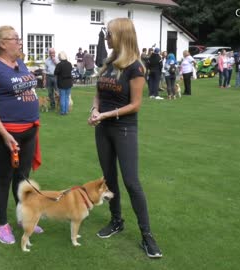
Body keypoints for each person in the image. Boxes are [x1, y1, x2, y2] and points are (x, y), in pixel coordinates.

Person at [87, 18, 162, 259]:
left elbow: (136, 104)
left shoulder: (135, 67)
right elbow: (98, 93)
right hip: (104, 129)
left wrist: (106, 114)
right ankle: (116, 220)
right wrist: (94, 111)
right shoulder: (108, 63)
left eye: (108, 34)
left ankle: (147, 235)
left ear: (120, 35)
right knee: (109, 178)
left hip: (124, 129)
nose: (106, 37)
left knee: (131, 181)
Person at [0, 25, 43, 245]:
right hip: (3, 134)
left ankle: (23, 217)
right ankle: (2, 225)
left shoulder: (20, 63)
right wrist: (5, 135)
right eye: (15, 38)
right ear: (2, 44)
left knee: (22, 177)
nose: (20, 41)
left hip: (29, 132)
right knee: (4, 178)